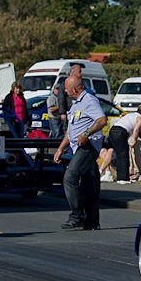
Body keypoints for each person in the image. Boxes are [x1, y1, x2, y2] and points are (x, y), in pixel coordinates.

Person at [52, 76, 106, 230]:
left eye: (67, 89)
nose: (65, 92)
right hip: (78, 147)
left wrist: (86, 133)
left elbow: (102, 120)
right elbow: (71, 131)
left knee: (70, 177)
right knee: (90, 184)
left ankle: (77, 215)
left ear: (74, 89)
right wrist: (61, 148)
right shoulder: (76, 104)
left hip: (88, 147)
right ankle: (92, 220)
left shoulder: (89, 100)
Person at [99, 104, 141, 184]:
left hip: (113, 130)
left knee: (110, 150)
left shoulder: (130, 114)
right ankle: (122, 178)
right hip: (121, 132)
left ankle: (103, 171)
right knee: (123, 155)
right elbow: (136, 130)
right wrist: (134, 139)